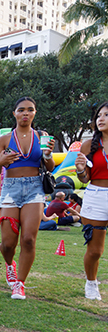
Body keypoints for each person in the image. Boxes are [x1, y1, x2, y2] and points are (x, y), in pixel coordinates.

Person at [0, 96, 55, 300]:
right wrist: (1, 160)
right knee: (8, 244)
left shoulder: (41, 136)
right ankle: (10, 265)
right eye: (21, 110)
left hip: (35, 188)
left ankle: (20, 283)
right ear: (14, 113)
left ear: (35, 113)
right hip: (10, 188)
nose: (25, 113)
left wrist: (47, 155)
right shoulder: (4, 139)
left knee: (28, 239)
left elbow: (50, 167)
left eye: (30, 110)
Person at [75, 101, 108, 300]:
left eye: (106, 115)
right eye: (99, 116)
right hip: (96, 195)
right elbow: (85, 179)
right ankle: (91, 283)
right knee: (95, 250)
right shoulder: (89, 145)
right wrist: (80, 170)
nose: (101, 119)